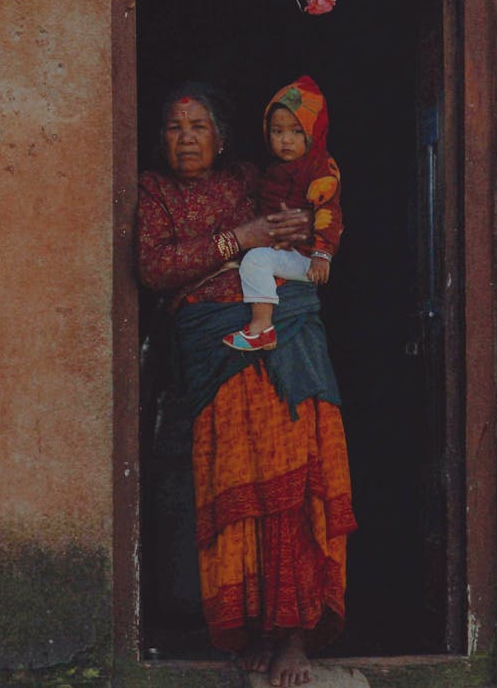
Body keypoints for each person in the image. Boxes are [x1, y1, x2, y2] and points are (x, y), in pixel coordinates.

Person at [136, 81, 357, 687]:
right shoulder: (154, 192)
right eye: (176, 127)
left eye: (199, 126)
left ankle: (294, 636)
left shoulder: (250, 182)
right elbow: (156, 267)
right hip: (216, 347)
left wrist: (292, 229)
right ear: (161, 139)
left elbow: (302, 227)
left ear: (223, 137)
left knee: (297, 480)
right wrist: (241, 240)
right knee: (239, 483)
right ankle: (258, 628)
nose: (186, 137)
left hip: (288, 334)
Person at [223, 75, 343, 352]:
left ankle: (261, 328)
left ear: (314, 131)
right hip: (289, 255)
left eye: (297, 131)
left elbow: (329, 211)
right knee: (254, 259)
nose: (286, 140)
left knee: (255, 261)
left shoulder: (320, 168)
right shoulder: (274, 171)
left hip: (307, 258)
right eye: (277, 131)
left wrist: (322, 254)